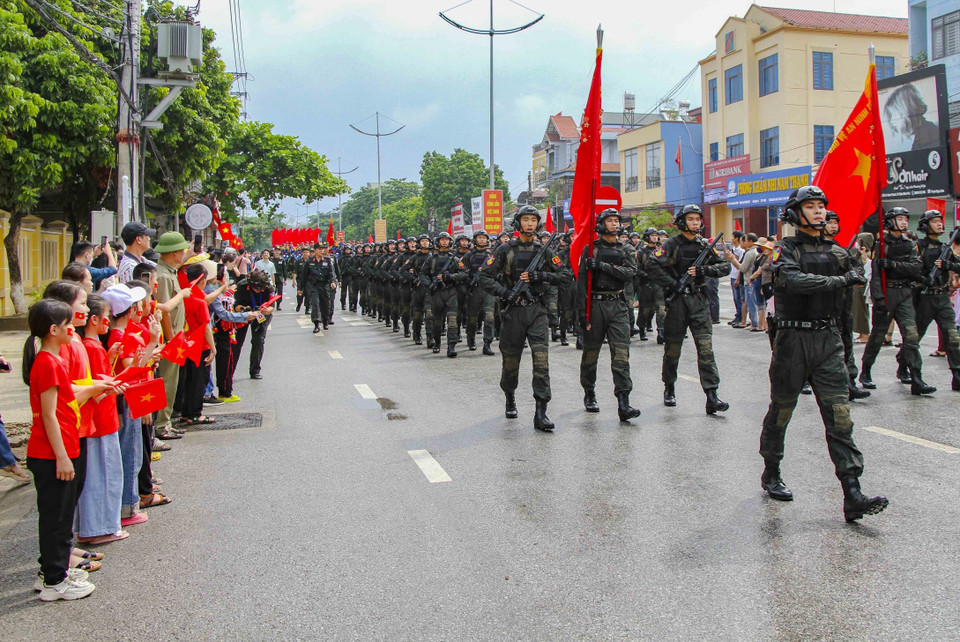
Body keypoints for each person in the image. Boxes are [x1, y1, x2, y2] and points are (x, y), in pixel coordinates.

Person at [758, 185, 888, 522]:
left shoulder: (839, 252)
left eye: (821, 206)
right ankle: (772, 471)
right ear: (796, 213)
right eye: (811, 206)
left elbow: (848, 300)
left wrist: (846, 352)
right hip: (792, 340)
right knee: (781, 411)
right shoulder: (784, 250)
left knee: (840, 416)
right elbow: (793, 281)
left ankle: (852, 492)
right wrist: (841, 280)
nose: (819, 211)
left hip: (828, 340)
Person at [23, 298, 110, 600]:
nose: (72, 328)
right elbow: (48, 415)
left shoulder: (53, 360)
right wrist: (62, 456)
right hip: (51, 453)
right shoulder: (47, 363)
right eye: (68, 324)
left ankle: (53, 572)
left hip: (61, 447)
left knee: (61, 517)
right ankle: (54, 581)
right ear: (53, 330)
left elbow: (66, 401)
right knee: (56, 519)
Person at [478, 205, 569, 431]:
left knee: (541, 361)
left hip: (537, 311)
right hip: (513, 313)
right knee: (511, 362)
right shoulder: (504, 250)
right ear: (518, 223)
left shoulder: (544, 251)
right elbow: (484, 277)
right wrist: (505, 292)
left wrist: (540, 275)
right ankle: (510, 396)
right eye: (526, 219)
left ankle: (541, 412)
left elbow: (565, 276)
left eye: (533, 220)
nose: (530, 223)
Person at [649, 205, 730, 414]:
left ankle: (712, 395)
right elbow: (652, 264)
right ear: (682, 222)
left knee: (706, 349)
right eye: (691, 219)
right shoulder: (671, 244)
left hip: (699, 301)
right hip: (678, 302)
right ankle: (669, 387)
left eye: (697, 219)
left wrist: (704, 270)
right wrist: (673, 283)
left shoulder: (704, 245)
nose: (695, 223)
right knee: (673, 349)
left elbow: (725, 266)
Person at [576, 209, 641, 421]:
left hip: (618, 305)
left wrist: (602, 266)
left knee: (621, 355)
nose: (614, 224)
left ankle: (624, 402)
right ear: (601, 224)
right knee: (591, 354)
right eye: (609, 221)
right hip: (595, 305)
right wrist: (581, 313)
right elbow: (581, 283)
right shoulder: (591, 249)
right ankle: (589, 392)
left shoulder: (627, 249)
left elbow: (629, 273)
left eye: (616, 220)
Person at [859, 208, 932, 394]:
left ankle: (916, 377)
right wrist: (878, 298)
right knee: (878, 336)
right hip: (887, 293)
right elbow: (876, 275)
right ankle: (865, 371)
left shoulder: (909, 244)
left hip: (905, 293)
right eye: (900, 219)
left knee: (911, 336)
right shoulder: (881, 245)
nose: (904, 222)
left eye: (906, 219)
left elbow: (916, 268)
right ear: (890, 221)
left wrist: (894, 265)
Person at [76, 294, 127, 546]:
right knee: (104, 476)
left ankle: (96, 526)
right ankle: (99, 528)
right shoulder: (91, 347)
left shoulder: (93, 347)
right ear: (94, 320)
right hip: (101, 420)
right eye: (106, 316)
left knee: (101, 475)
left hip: (100, 419)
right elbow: (95, 388)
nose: (108, 320)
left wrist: (110, 357)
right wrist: (112, 386)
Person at [909, 210, 960, 391]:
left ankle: (957, 376)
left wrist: (948, 265)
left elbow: (958, 265)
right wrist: (924, 279)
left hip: (942, 297)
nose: (939, 224)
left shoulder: (945, 248)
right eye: (935, 221)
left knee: (952, 337)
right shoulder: (918, 246)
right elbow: (911, 270)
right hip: (924, 298)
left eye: (940, 221)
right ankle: (911, 372)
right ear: (925, 225)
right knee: (915, 337)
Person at [822, 212, 871, 401]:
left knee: (846, 344)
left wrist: (855, 273)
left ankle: (850, 381)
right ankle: (808, 379)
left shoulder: (843, 249)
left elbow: (857, 267)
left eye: (836, 222)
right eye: (830, 222)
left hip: (843, 305)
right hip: (824, 307)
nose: (833, 226)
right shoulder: (814, 250)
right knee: (821, 347)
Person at [420, 232, 467, 357]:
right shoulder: (431, 259)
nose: (445, 242)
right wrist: (429, 284)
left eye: (446, 240)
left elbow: (464, 274)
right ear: (438, 242)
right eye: (442, 240)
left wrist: (450, 277)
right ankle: (437, 343)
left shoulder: (455, 259)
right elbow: (422, 274)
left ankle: (451, 346)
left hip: (451, 292)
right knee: (437, 321)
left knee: (452, 320)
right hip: (436, 293)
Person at [233, 270, 276, 378]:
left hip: (261, 315)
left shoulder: (268, 287)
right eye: (256, 289)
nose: (258, 291)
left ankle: (255, 370)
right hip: (245, 314)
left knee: (258, 341)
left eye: (261, 289)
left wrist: (267, 310)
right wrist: (245, 310)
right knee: (237, 342)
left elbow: (272, 306)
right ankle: (230, 370)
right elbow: (236, 306)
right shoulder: (242, 285)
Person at [460, 230, 497, 354]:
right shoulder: (469, 255)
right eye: (479, 237)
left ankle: (487, 343)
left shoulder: (491, 255)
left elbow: (498, 270)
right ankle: (471, 339)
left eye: (484, 238)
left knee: (489, 317)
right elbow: (461, 270)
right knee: (472, 319)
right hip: (474, 290)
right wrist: (469, 278)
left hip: (488, 289)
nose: (482, 240)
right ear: (475, 240)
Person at [301, 242, 336, 333]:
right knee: (315, 304)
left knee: (325, 304)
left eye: (322, 249)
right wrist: (300, 288)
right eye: (320, 249)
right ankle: (316, 323)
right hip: (314, 286)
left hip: (324, 286)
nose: (322, 251)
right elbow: (304, 276)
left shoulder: (327, 260)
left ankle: (325, 321)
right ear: (315, 250)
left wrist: (332, 282)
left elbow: (331, 273)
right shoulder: (309, 262)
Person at [407, 235, 435, 347]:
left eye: (427, 241)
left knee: (429, 314)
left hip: (430, 288)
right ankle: (417, 334)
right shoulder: (414, 258)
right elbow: (402, 270)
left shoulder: (433, 257)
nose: (425, 243)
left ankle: (430, 338)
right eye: (423, 241)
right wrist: (414, 280)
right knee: (417, 315)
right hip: (418, 289)